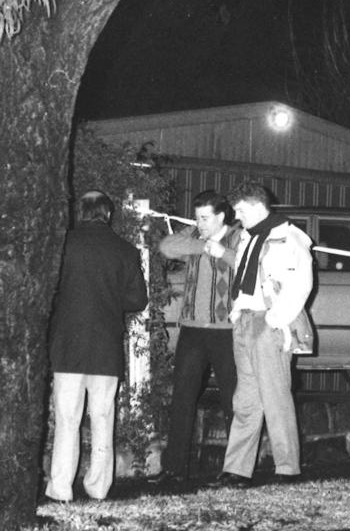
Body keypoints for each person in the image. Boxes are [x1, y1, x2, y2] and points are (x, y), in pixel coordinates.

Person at [208, 182, 314, 488]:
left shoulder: (289, 237)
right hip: (244, 322)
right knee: (245, 401)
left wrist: (274, 319)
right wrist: (238, 312)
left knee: (275, 397)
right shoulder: (247, 237)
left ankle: (288, 469)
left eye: (240, 210)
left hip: (268, 325)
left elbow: (301, 286)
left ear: (256, 206)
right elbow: (245, 276)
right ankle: (237, 470)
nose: (237, 217)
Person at [46, 191, 149, 502]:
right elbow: (137, 300)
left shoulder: (63, 245)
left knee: (67, 418)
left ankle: (61, 488)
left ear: (80, 211)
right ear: (108, 214)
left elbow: (48, 290)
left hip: (68, 345)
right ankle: (99, 487)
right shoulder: (125, 251)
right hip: (105, 346)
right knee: (103, 418)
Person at [148, 190, 243, 484]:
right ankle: (174, 468)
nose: (199, 222)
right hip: (191, 330)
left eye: (204, 218)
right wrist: (202, 245)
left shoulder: (238, 237)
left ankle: (234, 469)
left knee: (232, 400)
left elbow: (247, 265)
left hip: (226, 331)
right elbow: (166, 246)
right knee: (182, 399)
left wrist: (221, 252)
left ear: (221, 217)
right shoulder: (195, 235)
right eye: (197, 217)